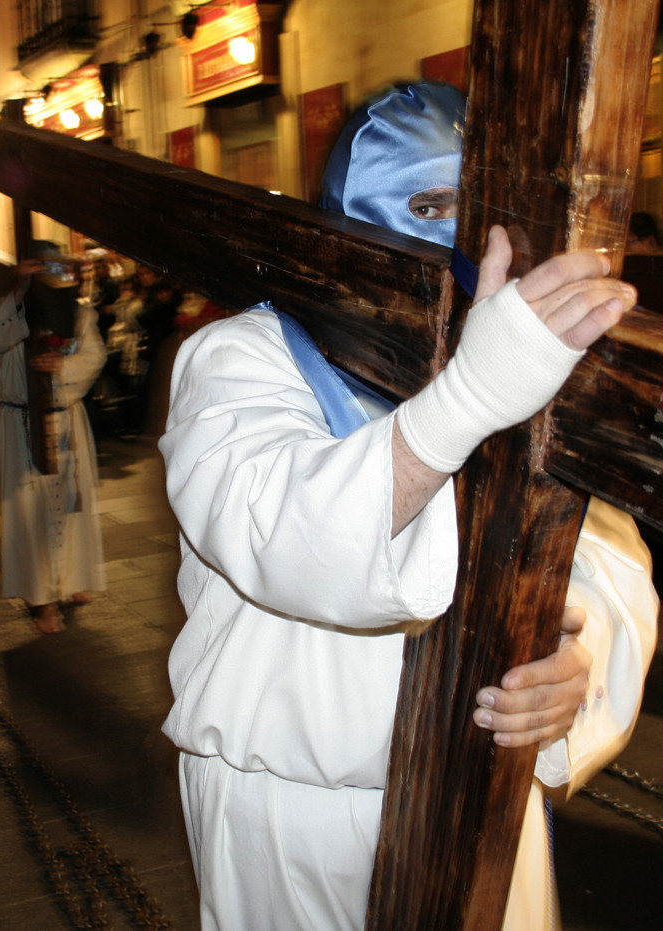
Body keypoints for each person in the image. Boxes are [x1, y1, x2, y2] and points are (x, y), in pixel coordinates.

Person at [159, 82, 659, 930]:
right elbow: (280, 533)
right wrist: (470, 397)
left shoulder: (517, 352)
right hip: (296, 818)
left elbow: (603, 550)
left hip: (486, 791)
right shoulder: (244, 357)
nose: (455, 237)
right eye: (427, 202)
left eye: (476, 211)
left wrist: (577, 660)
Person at [0, 244, 106, 634]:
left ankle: (71, 579)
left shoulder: (80, 313)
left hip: (65, 419)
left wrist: (63, 364)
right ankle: (43, 599)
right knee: (29, 513)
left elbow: (95, 355)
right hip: (22, 422)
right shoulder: (7, 309)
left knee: (72, 506)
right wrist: (18, 294)